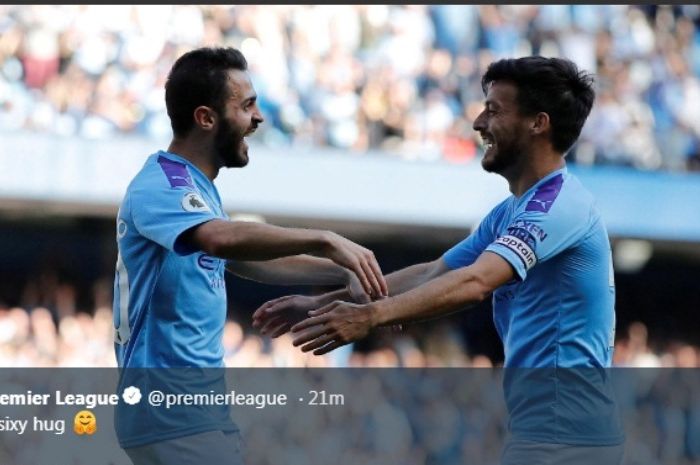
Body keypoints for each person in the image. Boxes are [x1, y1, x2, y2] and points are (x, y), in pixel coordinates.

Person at [254, 56, 625, 464]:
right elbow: (436, 272)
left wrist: (371, 316)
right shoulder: (511, 211)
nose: (479, 122)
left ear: (539, 123)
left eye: (494, 110)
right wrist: (318, 305)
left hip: (568, 440)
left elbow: (476, 283)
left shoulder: (558, 205)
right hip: (549, 434)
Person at [112, 46, 387, 465]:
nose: (258, 118)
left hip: (185, 410)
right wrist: (323, 239)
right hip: (172, 408)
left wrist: (340, 269)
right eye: (247, 106)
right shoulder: (162, 183)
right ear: (206, 118)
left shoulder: (196, 189)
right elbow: (221, 241)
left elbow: (244, 257)